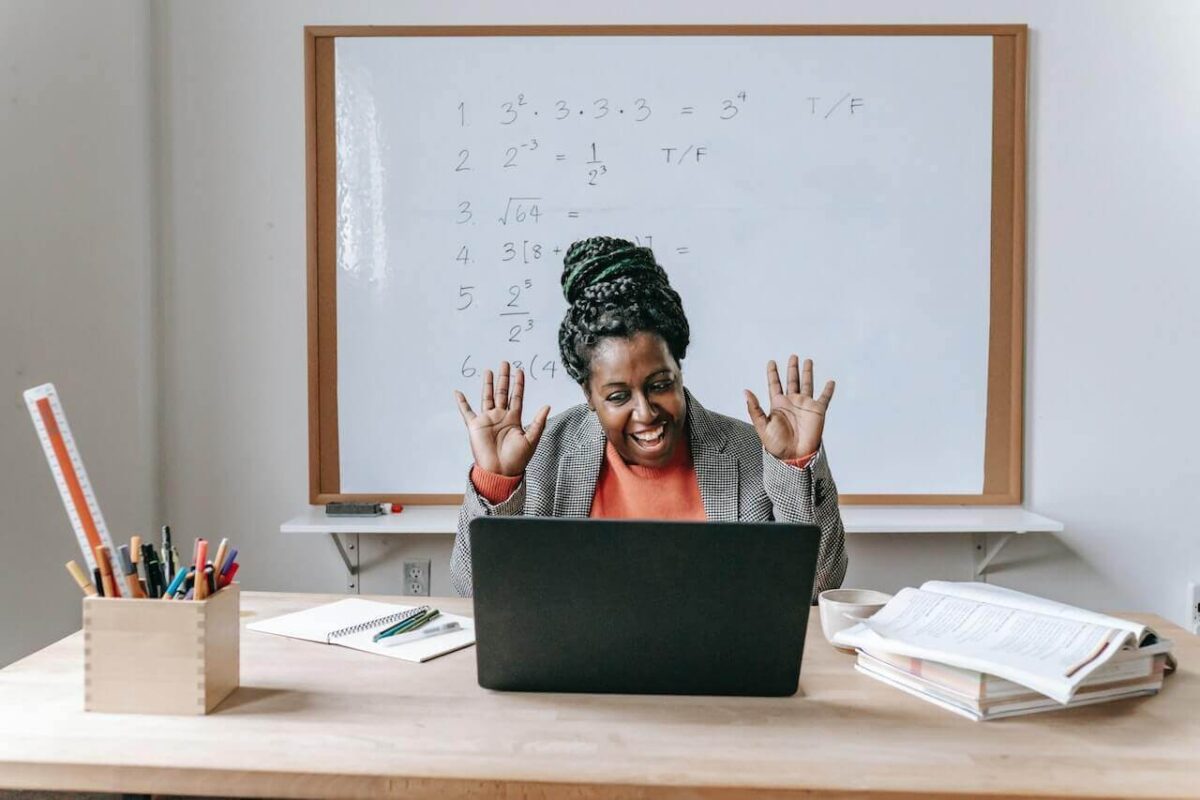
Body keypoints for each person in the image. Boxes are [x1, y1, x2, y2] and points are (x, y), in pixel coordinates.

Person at [450, 236, 846, 599]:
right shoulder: (541, 456)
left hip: (714, 672)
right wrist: (498, 485)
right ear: (589, 395)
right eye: (619, 396)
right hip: (579, 673)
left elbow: (816, 588)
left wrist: (796, 466)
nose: (645, 413)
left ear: (679, 369)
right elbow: (474, 591)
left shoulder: (751, 453)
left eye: (659, 385)